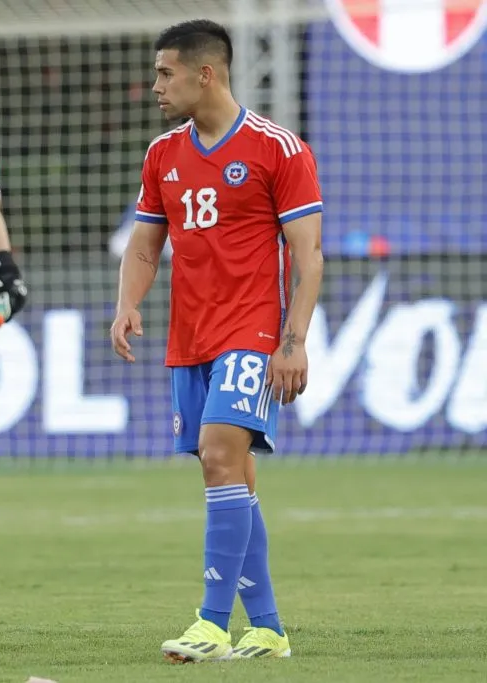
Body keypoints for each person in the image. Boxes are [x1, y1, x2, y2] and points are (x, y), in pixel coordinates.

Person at [110, 19, 324, 663]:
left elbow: (307, 254)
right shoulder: (162, 155)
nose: (156, 86)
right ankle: (268, 629)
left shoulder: (278, 149)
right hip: (190, 338)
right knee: (233, 474)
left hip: (252, 331)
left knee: (218, 457)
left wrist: (294, 340)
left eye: (166, 73)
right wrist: (126, 304)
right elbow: (146, 244)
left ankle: (210, 622)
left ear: (207, 73)